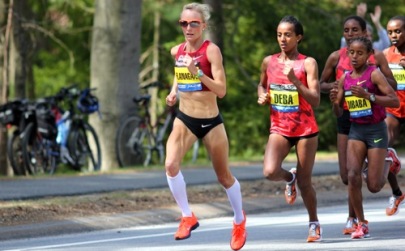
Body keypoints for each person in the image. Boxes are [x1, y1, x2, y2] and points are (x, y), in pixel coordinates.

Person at [164, 3, 246, 250]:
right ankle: (187, 215)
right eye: (184, 23)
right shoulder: (176, 51)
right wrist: (173, 92)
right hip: (185, 119)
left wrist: (198, 72)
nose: (188, 28)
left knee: (224, 176)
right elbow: (180, 75)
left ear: (204, 26)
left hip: (211, 122)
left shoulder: (212, 52)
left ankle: (239, 221)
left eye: (194, 23)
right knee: (170, 164)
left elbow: (221, 90)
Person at [320, 15, 398, 235]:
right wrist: (336, 95)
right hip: (350, 121)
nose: (350, 34)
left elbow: (392, 90)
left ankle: (386, 160)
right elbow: (322, 85)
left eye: (355, 30)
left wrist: (371, 89)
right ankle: (357, 221)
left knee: (372, 185)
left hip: (374, 121)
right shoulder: (338, 61)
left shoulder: (375, 62)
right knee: (350, 175)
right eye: (346, 30)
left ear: (364, 33)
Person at [257, 15, 322, 243]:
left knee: (306, 182)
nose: (282, 39)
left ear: (298, 37)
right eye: (279, 34)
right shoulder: (269, 61)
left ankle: (314, 223)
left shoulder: (308, 63)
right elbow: (261, 84)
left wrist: (295, 80)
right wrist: (262, 95)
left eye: (287, 35)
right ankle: (288, 178)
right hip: (280, 127)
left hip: (305, 130)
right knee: (269, 171)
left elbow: (315, 100)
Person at [383, 15, 405, 216]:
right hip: (394, 109)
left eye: (398, 31)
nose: (394, 35)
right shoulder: (385, 55)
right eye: (390, 32)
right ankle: (397, 193)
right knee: (383, 148)